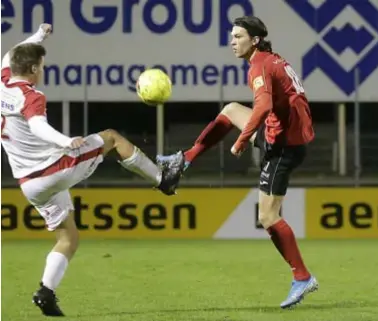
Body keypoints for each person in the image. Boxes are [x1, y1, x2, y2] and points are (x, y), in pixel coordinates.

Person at [1, 24, 184, 317]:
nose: (43, 71)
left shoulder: (3, 79)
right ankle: (164, 179)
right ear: (34, 68)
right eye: (42, 66)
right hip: (53, 169)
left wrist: (39, 35)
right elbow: (37, 126)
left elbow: (11, 53)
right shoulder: (31, 96)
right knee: (111, 137)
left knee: (68, 238)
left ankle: (45, 292)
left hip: (29, 184)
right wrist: (65, 141)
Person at [157, 16, 318, 309]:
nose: (233, 42)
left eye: (239, 36)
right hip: (285, 137)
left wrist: (242, 140)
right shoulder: (270, 59)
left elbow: (264, 105)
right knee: (231, 109)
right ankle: (185, 160)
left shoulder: (259, 65)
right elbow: (275, 103)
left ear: (254, 40)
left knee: (268, 217)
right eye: (232, 36)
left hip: (283, 146)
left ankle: (302, 276)